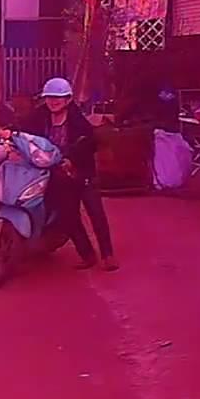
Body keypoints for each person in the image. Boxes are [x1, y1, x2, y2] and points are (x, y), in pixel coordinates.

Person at [24, 77, 119, 272]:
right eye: (49, 97)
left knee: (96, 213)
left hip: (83, 174)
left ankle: (108, 255)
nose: (53, 101)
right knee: (69, 216)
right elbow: (24, 132)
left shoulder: (78, 120)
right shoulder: (39, 116)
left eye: (58, 97)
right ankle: (87, 255)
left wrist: (72, 159)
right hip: (58, 176)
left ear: (68, 99)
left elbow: (89, 144)